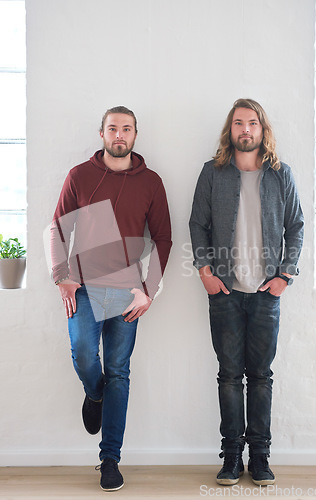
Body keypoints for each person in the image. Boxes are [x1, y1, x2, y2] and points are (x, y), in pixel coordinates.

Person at [50, 106, 172, 491]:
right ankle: (94, 392)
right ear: (101, 133)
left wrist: (148, 289)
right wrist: (62, 277)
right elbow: (56, 229)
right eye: (113, 129)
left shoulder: (151, 182)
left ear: (136, 135)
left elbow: (164, 238)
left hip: (126, 292)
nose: (119, 135)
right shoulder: (80, 176)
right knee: (86, 356)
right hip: (83, 287)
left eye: (126, 129)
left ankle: (110, 460)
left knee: (119, 371)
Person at [189, 98, 304, 486]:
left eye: (251, 123)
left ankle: (260, 456)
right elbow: (197, 225)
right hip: (224, 290)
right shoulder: (213, 173)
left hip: (265, 293)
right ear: (230, 130)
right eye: (238, 123)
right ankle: (232, 456)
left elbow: (297, 226)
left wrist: (285, 276)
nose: (245, 129)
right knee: (227, 376)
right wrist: (204, 271)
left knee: (260, 376)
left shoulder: (280, 175)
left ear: (261, 129)